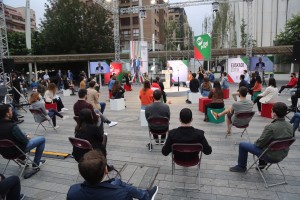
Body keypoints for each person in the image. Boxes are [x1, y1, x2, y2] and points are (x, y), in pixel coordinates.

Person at [67, 150, 158, 200]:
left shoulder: (72, 191)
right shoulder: (121, 195)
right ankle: (145, 196)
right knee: (119, 184)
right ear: (106, 171)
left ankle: (145, 195)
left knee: (117, 182)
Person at [230, 102, 293, 172]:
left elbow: (259, 144)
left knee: (242, 145)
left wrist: (256, 142)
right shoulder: (290, 126)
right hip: (282, 154)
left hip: (270, 156)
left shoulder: (270, 127)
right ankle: (262, 163)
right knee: (267, 143)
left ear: (274, 113)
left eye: (271, 111)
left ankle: (241, 167)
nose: (271, 112)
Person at [0, 104, 46, 168]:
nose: (12, 112)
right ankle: (36, 163)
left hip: (4, 153)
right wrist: (27, 137)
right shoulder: (12, 126)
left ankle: (22, 159)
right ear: (7, 114)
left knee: (20, 134)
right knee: (42, 139)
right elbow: (25, 141)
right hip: (17, 151)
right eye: (11, 110)